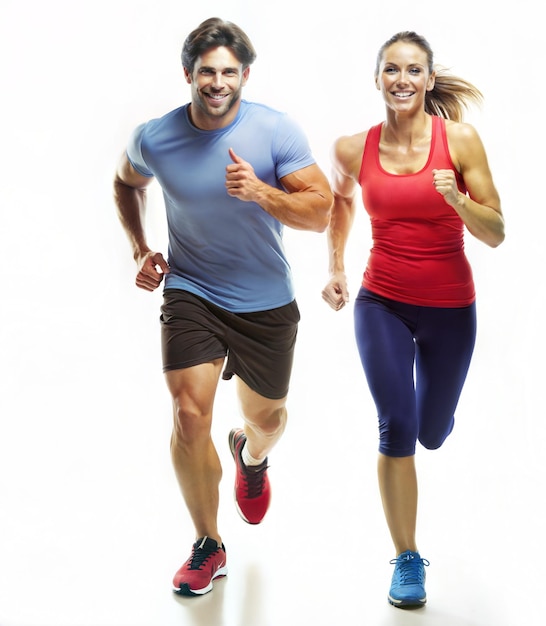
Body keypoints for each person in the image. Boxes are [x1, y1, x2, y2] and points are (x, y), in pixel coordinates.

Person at [114, 17, 332, 596]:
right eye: (206, 71)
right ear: (187, 73)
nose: (217, 82)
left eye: (228, 71)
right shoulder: (154, 137)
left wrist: (260, 191)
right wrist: (140, 247)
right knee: (188, 416)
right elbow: (124, 182)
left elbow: (321, 212)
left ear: (245, 75)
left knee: (268, 421)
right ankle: (208, 544)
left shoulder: (275, 131)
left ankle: (250, 457)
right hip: (192, 291)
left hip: (265, 302)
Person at [321, 31, 504, 608]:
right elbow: (342, 200)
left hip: (452, 307)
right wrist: (337, 268)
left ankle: (433, 423)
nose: (402, 79)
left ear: (428, 79)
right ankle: (406, 558)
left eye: (413, 70)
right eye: (391, 70)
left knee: (431, 431)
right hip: (383, 302)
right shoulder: (353, 148)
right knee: (397, 428)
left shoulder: (462, 141)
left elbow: (496, 232)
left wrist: (458, 201)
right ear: (377, 79)